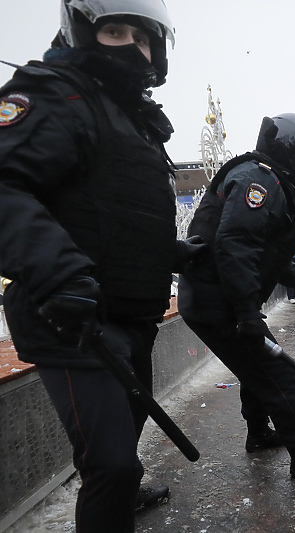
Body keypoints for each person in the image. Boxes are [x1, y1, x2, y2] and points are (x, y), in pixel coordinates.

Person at [0, 1, 207, 529]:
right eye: (115, 32)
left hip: (131, 313)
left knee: (122, 441)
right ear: (83, 34)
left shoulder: (132, 119)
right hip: (71, 317)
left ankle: (121, 498)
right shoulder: (53, 93)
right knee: (111, 463)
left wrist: (181, 254)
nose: (132, 49)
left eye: (142, 39)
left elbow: (116, 214)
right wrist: (59, 273)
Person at [177, 113, 295, 478]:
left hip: (216, 299)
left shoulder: (270, 180)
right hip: (218, 302)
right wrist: (246, 313)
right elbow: (235, 244)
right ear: (288, 151)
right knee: (277, 373)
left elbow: (266, 252)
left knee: (255, 368)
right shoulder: (258, 180)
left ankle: (257, 433)